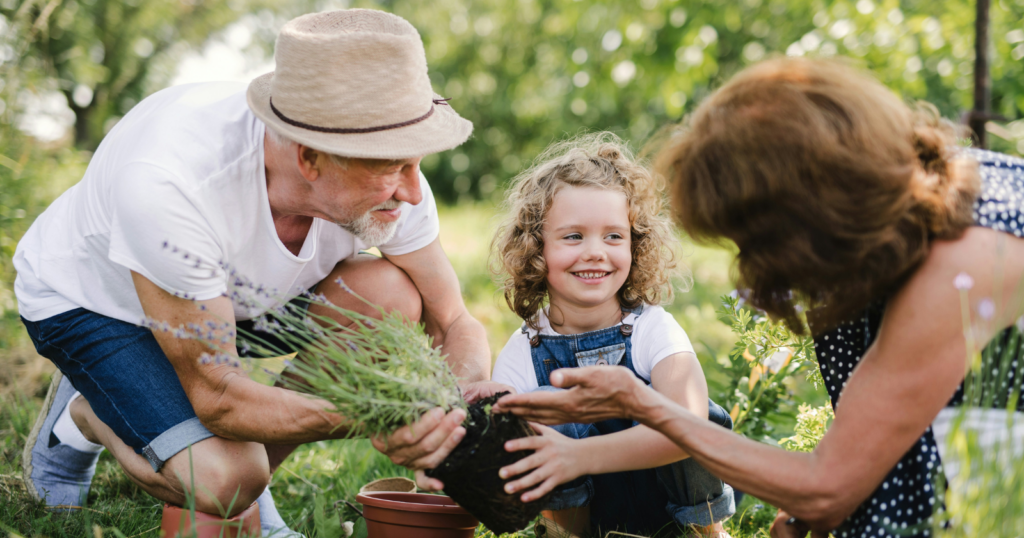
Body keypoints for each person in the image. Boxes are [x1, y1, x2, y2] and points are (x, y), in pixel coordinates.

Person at [15, 9, 510, 536]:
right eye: (391, 168)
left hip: (233, 300)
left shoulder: (389, 177)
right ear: (310, 157)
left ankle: (251, 493)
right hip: (96, 305)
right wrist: (384, 413)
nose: (413, 192)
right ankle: (88, 414)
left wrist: (455, 408)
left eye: (416, 163)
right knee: (223, 480)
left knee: (390, 295)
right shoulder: (172, 185)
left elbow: (454, 320)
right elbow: (220, 397)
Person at [494, 57, 1024, 538]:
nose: (753, 264)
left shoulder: (963, 265)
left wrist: (641, 404)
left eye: (755, 238)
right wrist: (804, 512)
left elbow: (828, 483)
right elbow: (877, 425)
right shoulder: (912, 207)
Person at [485, 135, 735, 536]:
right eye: (573, 236)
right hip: (593, 513)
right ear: (537, 248)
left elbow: (690, 424)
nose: (595, 251)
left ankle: (707, 532)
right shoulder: (522, 349)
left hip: (666, 501)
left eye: (614, 236)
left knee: (690, 411)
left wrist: (579, 455)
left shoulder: (652, 328)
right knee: (539, 411)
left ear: (635, 244)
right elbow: (502, 448)